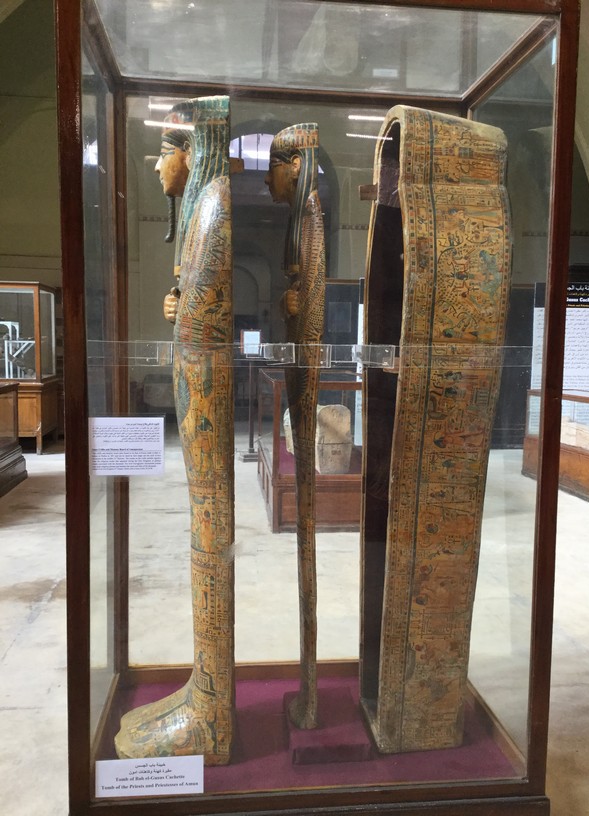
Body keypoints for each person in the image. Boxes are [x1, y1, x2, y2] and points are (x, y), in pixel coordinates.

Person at [115, 96, 235, 765]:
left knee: (209, 539)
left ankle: (212, 716)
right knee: (202, 536)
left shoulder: (213, 206)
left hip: (206, 401)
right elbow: (197, 304)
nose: (156, 167)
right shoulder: (203, 208)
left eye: (163, 153)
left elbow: (209, 313)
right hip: (197, 396)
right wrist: (177, 303)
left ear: (190, 152)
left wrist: (185, 306)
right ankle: (205, 693)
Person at [265, 123, 325, 729]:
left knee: (307, 513)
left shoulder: (311, 221)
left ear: (295, 166)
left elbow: (313, 307)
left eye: (274, 168)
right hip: (299, 368)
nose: (268, 180)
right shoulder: (301, 223)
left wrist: (298, 305)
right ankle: (306, 692)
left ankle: (311, 697)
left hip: (308, 377)